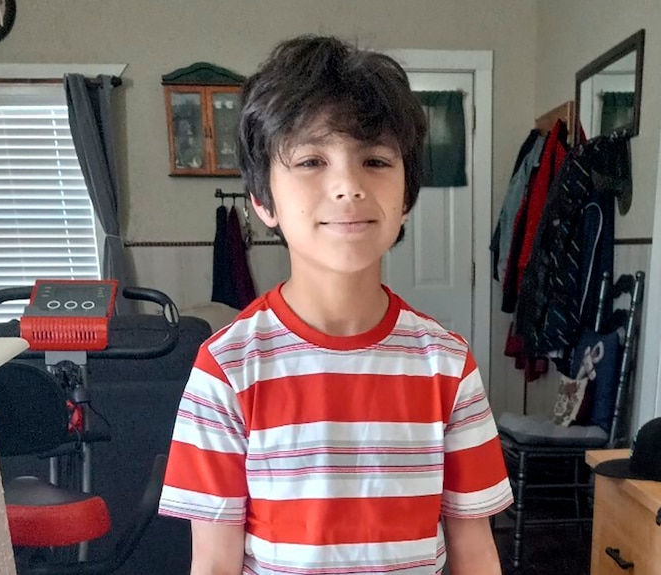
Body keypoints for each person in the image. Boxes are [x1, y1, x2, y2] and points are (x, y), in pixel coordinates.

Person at [158, 34, 512, 575]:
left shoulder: (447, 363)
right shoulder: (226, 369)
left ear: (408, 195)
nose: (348, 185)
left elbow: (475, 549)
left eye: (374, 160)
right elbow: (212, 562)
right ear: (261, 200)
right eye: (311, 161)